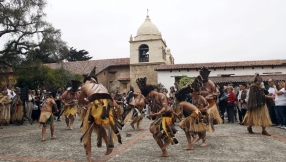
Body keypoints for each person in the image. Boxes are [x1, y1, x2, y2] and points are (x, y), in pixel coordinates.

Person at [78, 75, 122, 162]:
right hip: (106, 106)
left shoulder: (85, 86)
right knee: (99, 125)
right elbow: (112, 101)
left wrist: (88, 103)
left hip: (95, 104)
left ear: (88, 80)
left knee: (88, 133)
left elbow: (80, 101)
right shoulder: (102, 85)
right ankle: (108, 144)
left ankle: (89, 159)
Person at [136, 77, 178, 157]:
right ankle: (165, 151)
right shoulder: (154, 99)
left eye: (148, 95)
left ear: (151, 91)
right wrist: (151, 114)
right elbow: (154, 110)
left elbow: (164, 108)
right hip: (160, 116)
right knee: (154, 132)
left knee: (156, 130)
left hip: (167, 116)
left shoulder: (161, 95)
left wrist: (156, 114)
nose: (149, 97)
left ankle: (167, 140)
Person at [176, 81, 209, 150]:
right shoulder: (185, 102)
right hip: (197, 113)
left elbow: (180, 115)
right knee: (185, 128)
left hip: (197, 113)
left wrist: (174, 114)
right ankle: (190, 145)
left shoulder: (181, 104)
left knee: (183, 125)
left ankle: (194, 135)